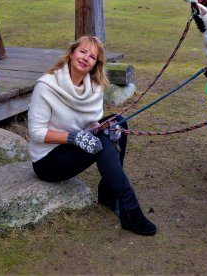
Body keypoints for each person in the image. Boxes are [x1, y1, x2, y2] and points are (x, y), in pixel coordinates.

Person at [27, 35, 156, 236]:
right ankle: (130, 209)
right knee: (103, 141)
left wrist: (102, 127)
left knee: (117, 124)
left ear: (96, 64)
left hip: (74, 146)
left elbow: (90, 123)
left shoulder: (94, 87)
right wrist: (74, 138)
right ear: (71, 53)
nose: (86, 58)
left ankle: (107, 193)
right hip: (48, 160)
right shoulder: (46, 86)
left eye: (92, 56)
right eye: (82, 51)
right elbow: (36, 133)